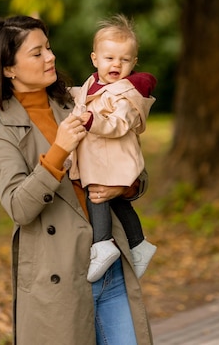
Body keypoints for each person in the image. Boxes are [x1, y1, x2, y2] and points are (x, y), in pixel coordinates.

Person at [0, 15, 153, 345]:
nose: (51, 57)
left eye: (49, 48)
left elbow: (130, 162)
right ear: (8, 68)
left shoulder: (77, 101)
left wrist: (124, 187)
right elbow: (18, 207)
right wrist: (59, 150)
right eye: (37, 52)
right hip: (60, 280)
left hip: (109, 264)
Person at [69, 14, 157, 283]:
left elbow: (118, 124)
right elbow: (83, 97)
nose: (116, 64)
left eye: (124, 59)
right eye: (109, 58)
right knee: (116, 203)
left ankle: (102, 244)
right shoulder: (94, 82)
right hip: (102, 156)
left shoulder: (128, 95)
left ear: (134, 63)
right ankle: (139, 244)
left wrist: (94, 121)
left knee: (98, 194)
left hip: (115, 157)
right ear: (95, 59)